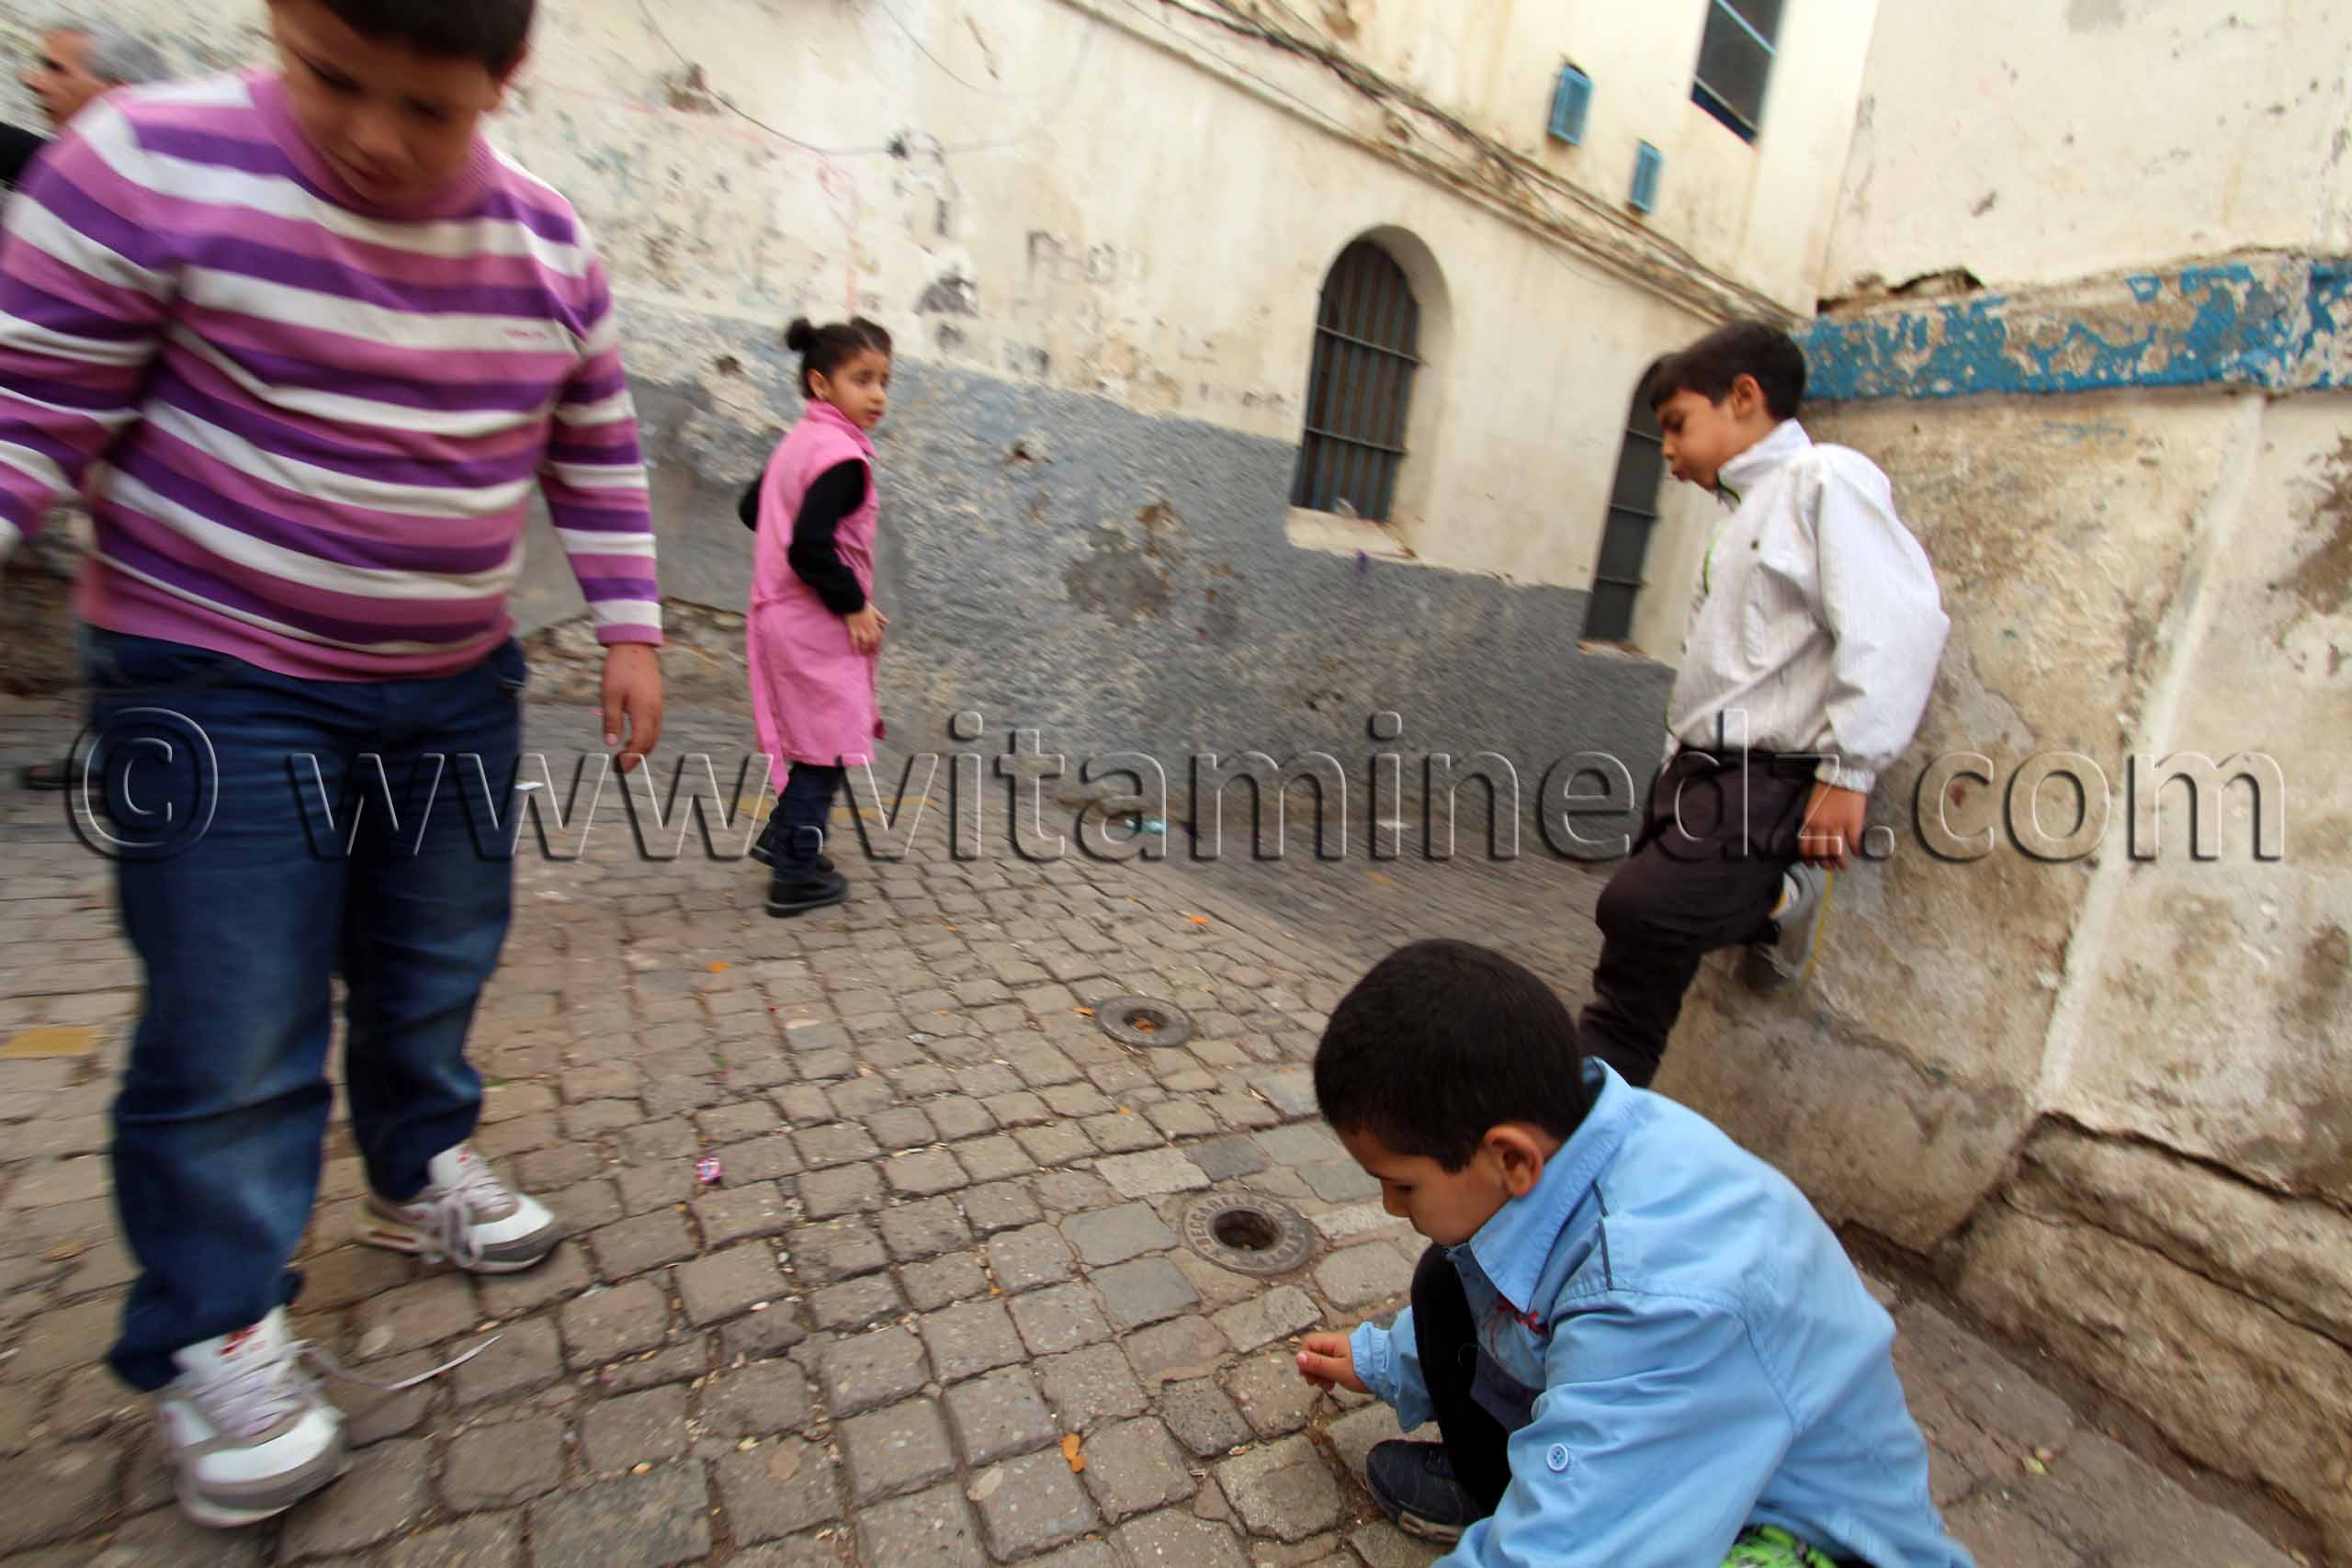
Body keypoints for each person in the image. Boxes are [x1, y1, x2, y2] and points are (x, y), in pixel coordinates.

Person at [0, 0, 664, 1528]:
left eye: (425, 108)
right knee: (238, 1014)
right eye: (330, 79)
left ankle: (417, 1164)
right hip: (213, 685)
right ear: (280, 24)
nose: (370, 136)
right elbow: (27, 406)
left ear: (504, 83)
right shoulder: (138, 167)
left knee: (438, 954)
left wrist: (632, 622)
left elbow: (595, 438)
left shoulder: (550, 248)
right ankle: (214, 1320)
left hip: (450, 691)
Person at [1295, 941, 1975, 1568]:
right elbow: (1501, 1291)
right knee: (1448, 1276)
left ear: (1510, 1156)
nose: (1390, 1205)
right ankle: (1507, 1491)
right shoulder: (1580, 1130)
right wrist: (1387, 1361)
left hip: (1794, 1532)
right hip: (1688, 1460)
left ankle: (1542, 1498)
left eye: (1401, 1184)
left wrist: (1547, 1532)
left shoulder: (1656, 1297)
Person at [1577, 322, 1949, 1088]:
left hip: (1768, 775)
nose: (1669, 451)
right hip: (1695, 772)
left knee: (1637, 909)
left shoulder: (1825, 480)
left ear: (1744, 397)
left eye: (1678, 424)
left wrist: (1849, 772)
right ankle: (1577, 1133)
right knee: (1626, 990)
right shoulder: (1737, 520)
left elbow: (1895, 621)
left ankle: (1782, 899)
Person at [6, 20, 168, 790]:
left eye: (53, 67)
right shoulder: (78, 161)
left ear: (111, 87)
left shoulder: (133, 170)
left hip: (138, 449)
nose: (37, 81)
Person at [743, 316, 893, 918]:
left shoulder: (800, 441)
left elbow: (753, 506)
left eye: (885, 379)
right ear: (821, 384)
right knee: (824, 749)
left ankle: (783, 838)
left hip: (778, 613)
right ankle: (796, 876)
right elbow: (809, 545)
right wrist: (851, 603)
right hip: (812, 623)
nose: (878, 393)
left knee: (812, 741)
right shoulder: (844, 459)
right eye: (862, 379)